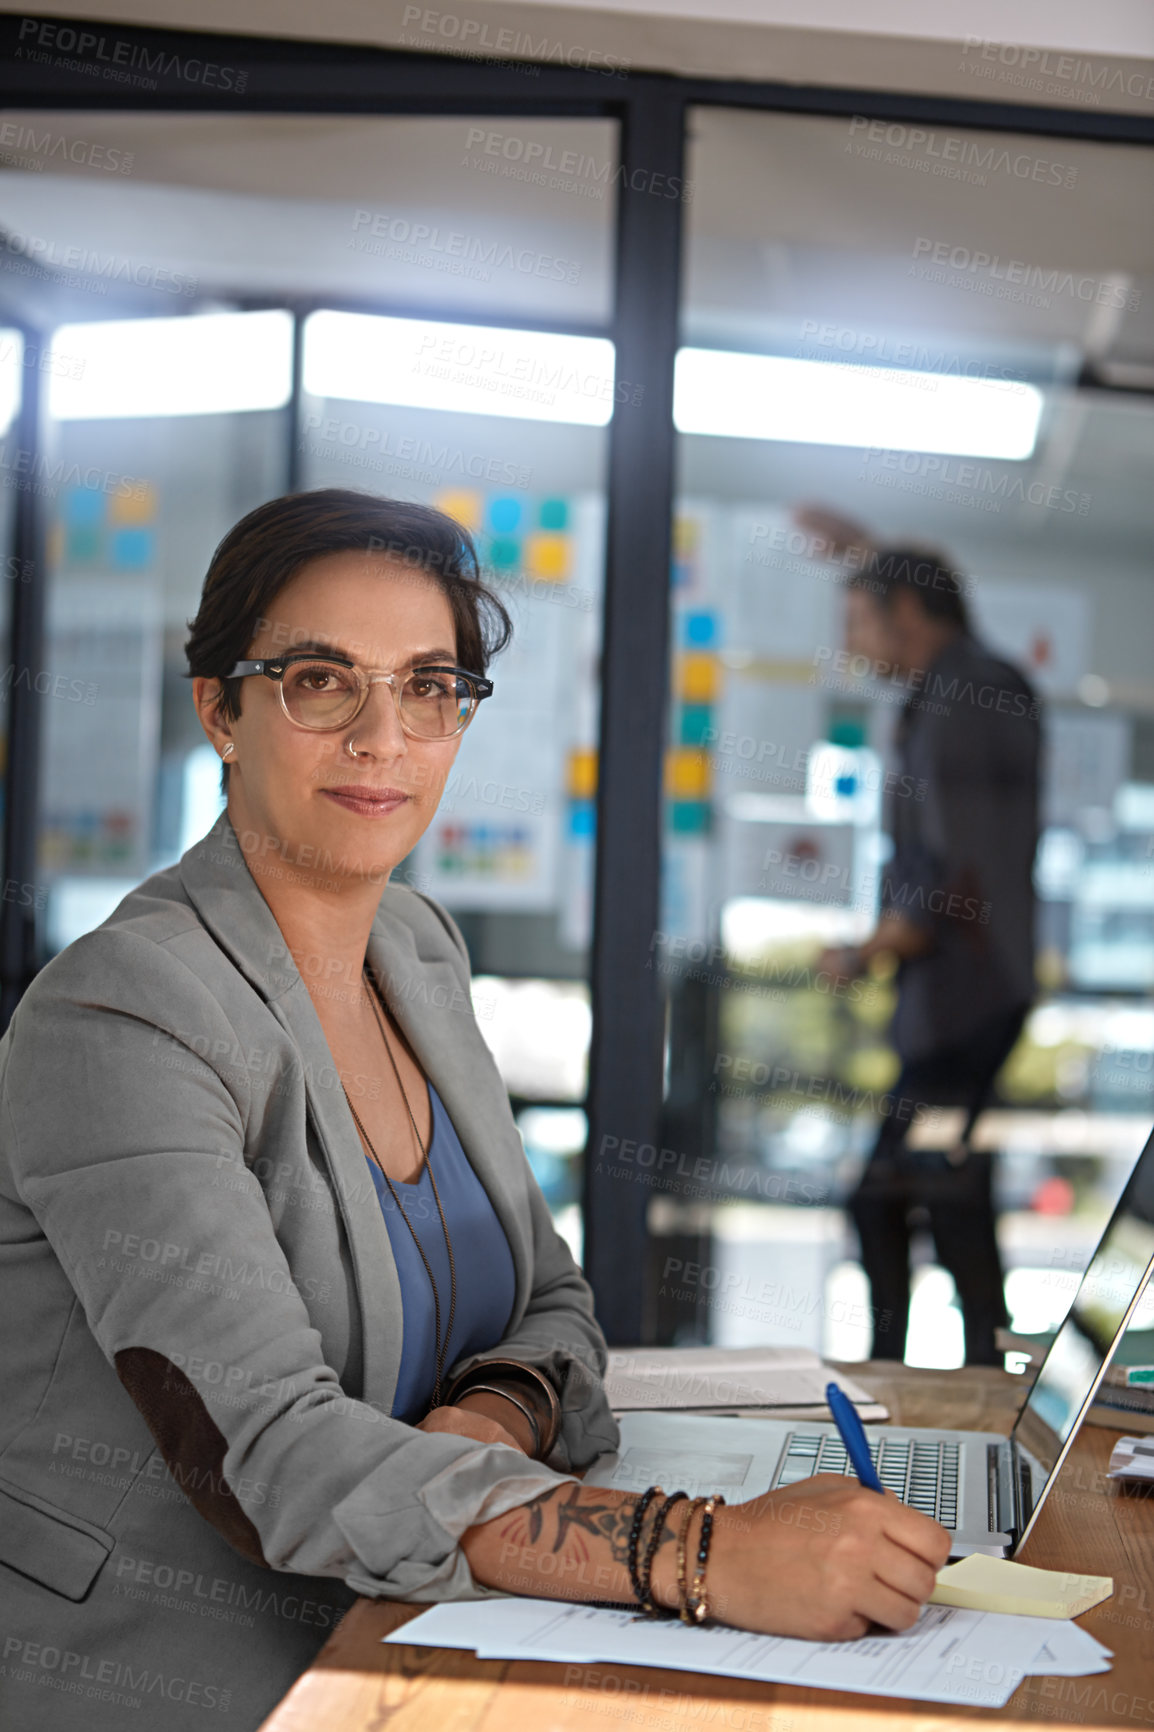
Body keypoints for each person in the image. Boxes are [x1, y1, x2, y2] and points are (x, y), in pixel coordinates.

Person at [0, 490, 950, 1732]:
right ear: (219, 710)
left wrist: (490, 1412)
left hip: (428, 1622)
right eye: (318, 680)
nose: (383, 736)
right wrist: (702, 1553)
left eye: (430, 684)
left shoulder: (416, 948)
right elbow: (271, 1456)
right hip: (188, 1667)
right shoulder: (122, 1012)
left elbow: (551, 1302)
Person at [804, 510, 1041, 1366]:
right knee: (932, 1190)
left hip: (964, 1009)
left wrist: (875, 947)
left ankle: (933, 1378)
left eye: (859, 619)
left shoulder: (971, 697)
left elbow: (958, 869)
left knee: (906, 1191)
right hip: (956, 1008)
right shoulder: (950, 691)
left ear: (904, 610)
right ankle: (961, 1372)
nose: (852, 642)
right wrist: (866, 550)